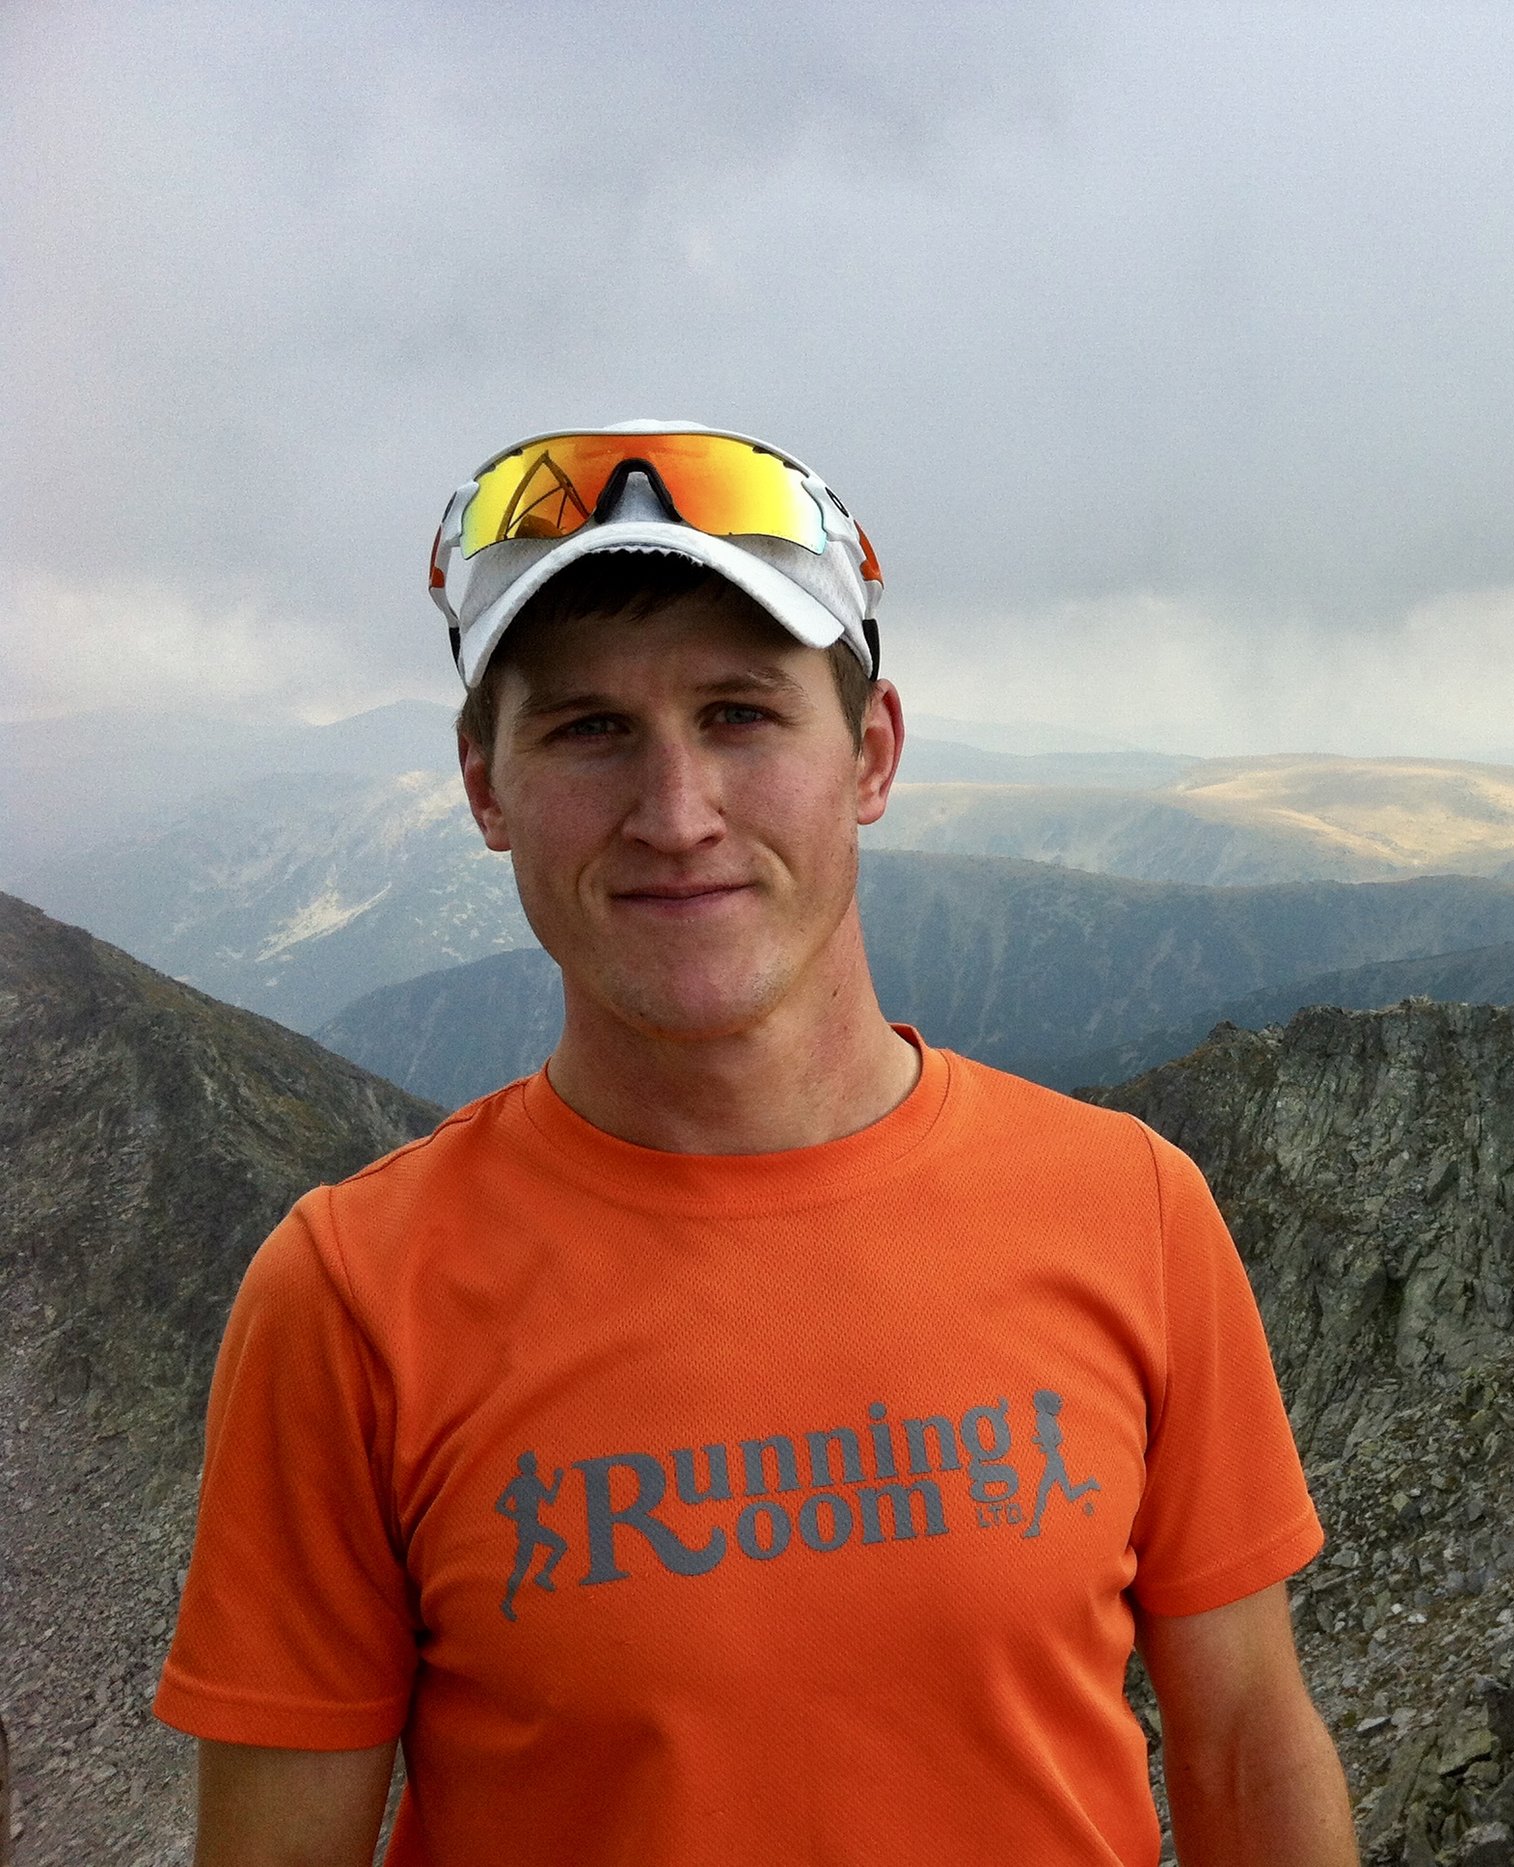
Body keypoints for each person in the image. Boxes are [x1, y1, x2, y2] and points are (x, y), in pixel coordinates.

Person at [153, 422, 1358, 1866]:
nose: (676, 814)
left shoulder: (1131, 1210)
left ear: (871, 753)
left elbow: (1247, 1749)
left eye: (740, 714)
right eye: (590, 728)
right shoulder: (349, 1298)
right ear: (485, 785)